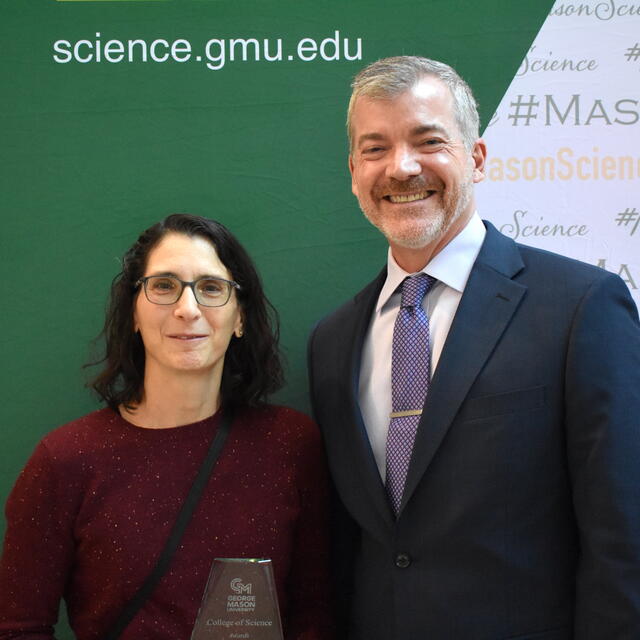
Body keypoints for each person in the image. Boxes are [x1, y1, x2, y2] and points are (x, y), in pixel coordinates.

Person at [307, 56, 640, 639]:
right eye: (376, 148)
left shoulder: (582, 307)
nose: (401, 167)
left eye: (428, 140)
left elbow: (625, 536)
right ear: (354, 168)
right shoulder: (332, 341)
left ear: (477, 158)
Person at [0, 214, 332, 640]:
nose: (187, 309)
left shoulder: (290, 443)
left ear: (240, 319)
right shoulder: (64, 461)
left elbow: (316, 612)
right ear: (134, 313)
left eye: (211, 288)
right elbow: (19, 628)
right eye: (163, 286)